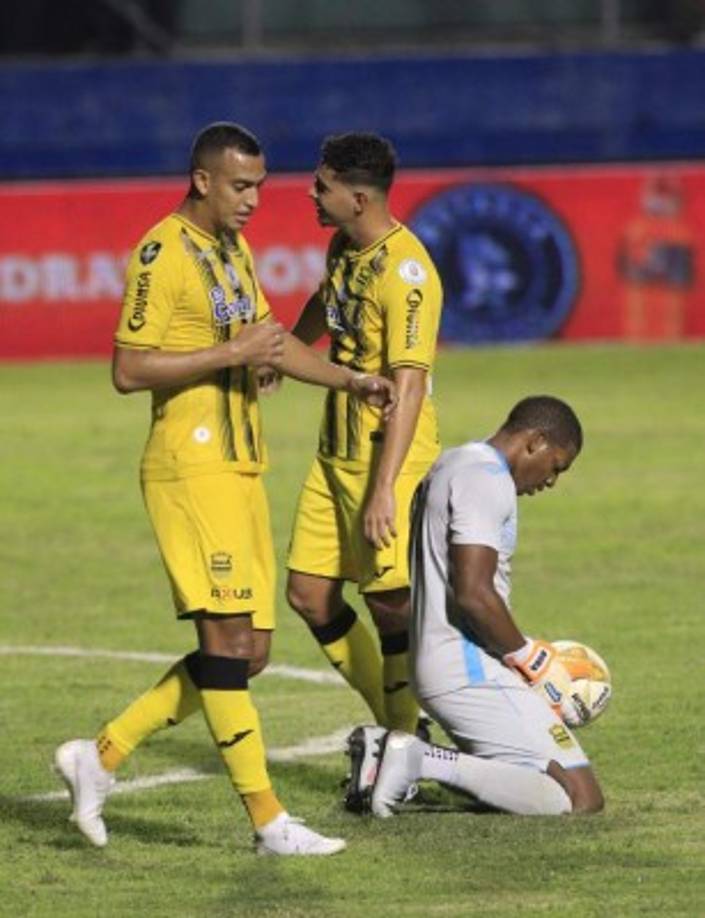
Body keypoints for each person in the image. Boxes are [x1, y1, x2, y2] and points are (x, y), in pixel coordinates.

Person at [54, 121, 396, 857]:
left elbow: (271, 341)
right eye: (240, 186)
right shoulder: (161, 252)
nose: (252, 201)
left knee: (251, 652)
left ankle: (100, 756)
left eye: (260, 188)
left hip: (242, 468)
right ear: (203, 180)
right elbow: (128, 369)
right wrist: (229, 353)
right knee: (226, 642)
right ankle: (269, 822)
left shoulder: (230, 250)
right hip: (190, 466)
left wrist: (352, 379)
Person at [349, 396, 605, 818]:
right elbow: (473, 592)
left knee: (511, 778)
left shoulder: (453, 463)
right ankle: (416, 758)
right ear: (534, 442)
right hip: (466, 669)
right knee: (580, 798)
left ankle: (379, 761)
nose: (551, 481)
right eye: (556, 466)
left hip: (442, 662)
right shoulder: (486, 479)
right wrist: (532, 661)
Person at [285, 133, 443, 761]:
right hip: (335, 450)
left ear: (356, 196)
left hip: (389, 453)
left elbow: (409, 386)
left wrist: (384, 489)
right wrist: (287, 349)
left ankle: (406, 747)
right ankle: (401, 726)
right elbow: (329, 302)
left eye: (320, 185)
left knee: (389, 602)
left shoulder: (408, 274)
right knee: (308, 593)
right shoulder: (343, 247)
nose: (310, 194)